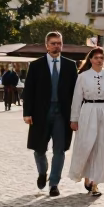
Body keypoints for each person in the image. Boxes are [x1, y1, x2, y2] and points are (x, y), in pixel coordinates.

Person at [22, 32, 78, 197]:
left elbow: (75, 93)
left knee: (59, 150)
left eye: (59, 43)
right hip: (41, 114)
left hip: (62, 113)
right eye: (53, 43)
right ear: (46, 45)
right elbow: (29, 91)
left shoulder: (70, 65)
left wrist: (75, 116)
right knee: (39, 149)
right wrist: (27, 113)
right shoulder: (36, 65)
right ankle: (42, 172)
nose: (56, 46)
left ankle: (54, 183)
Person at [68, 47, 104, 196]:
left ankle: (95, 183)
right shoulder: (83, 77)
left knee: (102, 147)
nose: (99, 60)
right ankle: (86, 176)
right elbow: (77, 98)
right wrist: (74, 118)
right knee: (87, 145)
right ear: (91, 59)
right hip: (88, 110)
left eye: (101, 58)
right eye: (96, 58)